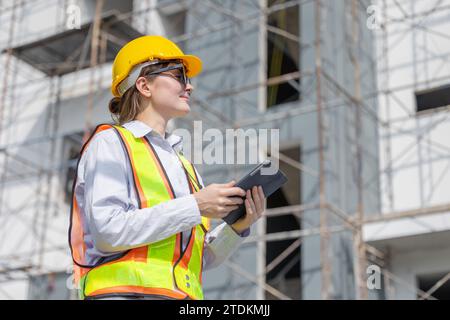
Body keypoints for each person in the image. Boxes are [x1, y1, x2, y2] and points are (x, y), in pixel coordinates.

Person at [68, 35, 266, 300]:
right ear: (144, 85)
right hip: (122, 295)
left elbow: (197, 257)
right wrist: (196, 205)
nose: (190, 87)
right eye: (179, 75)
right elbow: (108, 231)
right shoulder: (111, 143)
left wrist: (237, 227)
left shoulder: (183, 164)